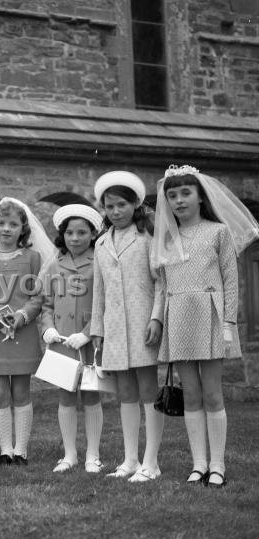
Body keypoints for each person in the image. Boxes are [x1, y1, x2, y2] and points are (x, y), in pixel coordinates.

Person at [151, 164, 259, 487]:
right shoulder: (166, 240)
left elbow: (230, 279)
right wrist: (158, 319)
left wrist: (228, 323)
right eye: (172, 196)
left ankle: (218, 465)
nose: (179, 200)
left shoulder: (218, 232)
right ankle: (198, 464)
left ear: (200, 196)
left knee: (213, 394)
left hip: (210, 315)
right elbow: (161, 284)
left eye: (186, 193)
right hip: (178, 316)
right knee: (192, 395)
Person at [0, 198, 54, 465]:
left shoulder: (33, 259)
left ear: (23, 229)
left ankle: (21, 451)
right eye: (1, 223)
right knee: (0, 392)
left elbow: (38, 296)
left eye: (13, 224)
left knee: (21, 392)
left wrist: (22, 314)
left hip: (22, 332)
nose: (6, 228)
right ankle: (5, 450)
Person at [90, 171, 165, 483]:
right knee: (125, 392)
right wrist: (98, 330)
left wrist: (156, 318)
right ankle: (130, 459)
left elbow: (161, 282)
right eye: (109, 206)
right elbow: (99, 290)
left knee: (148, 389)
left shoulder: (148, 237)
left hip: (143, 321)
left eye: (121, 204)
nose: (115, 211)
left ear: (136, 204)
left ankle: (152, 461)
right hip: (114, 328)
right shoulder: (101, 243)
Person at [41, 204, 105, 474]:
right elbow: (45, 304)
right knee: (65, 396)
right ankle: (70, 455)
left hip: (90, 343)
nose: (75, 238)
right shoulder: (56, 264)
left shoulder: (100, 261)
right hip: (62, 343)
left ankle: (93, 455)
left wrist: (88, 333)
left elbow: (105, 303)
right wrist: (47, 329)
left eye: (82, 232)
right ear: (62, 235)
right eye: (70, 233)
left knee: (91, 395)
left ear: (92, 234)